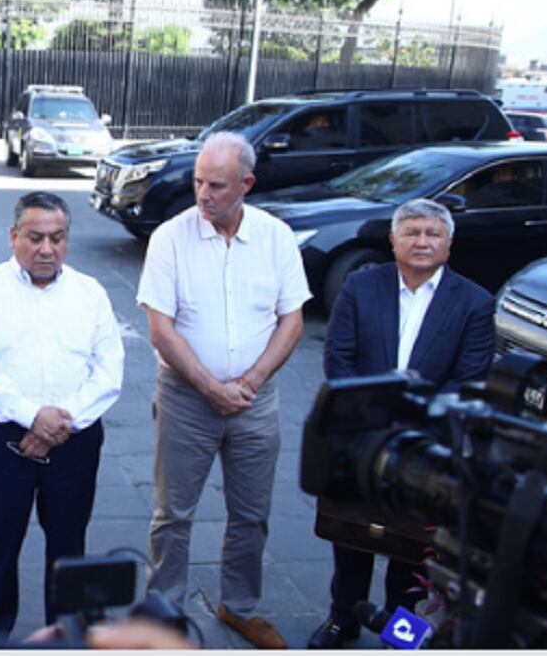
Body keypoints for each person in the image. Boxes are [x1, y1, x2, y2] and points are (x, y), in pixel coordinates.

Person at [137, 132, 311, 649]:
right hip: (186, 399)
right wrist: (211, 387)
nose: (203, 194)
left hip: (256, 403)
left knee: (252, 514)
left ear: (246, 184)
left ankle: (240, 607)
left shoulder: (276, 236)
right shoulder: (170, 237)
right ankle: (165, 613)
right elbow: (160, 328)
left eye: (216, 184)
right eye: (198, 181)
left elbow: (293, 318)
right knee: (173, 515)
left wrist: (249, 382)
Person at [307, 198, 495, 649]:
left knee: (411, 550)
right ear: (393, 241)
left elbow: (469, 381)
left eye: (433, 234)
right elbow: (339, 360)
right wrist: (369, 417)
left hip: (425, 445)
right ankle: (343, 618)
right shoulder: (360, 286)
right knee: (349, 534)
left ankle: (399, 629)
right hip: (359, 437)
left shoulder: (474, 302)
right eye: (412, 233)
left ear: (449, 243)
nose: (422, 242)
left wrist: (407, 422)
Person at [0, 191, 124, 636]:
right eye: (35, 237)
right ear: (13, 237)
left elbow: (108, 372)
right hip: (3, 441)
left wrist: (56, 425)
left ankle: (67, 635)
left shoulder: (91, 293)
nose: (46, 248)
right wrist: (32, 416)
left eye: (57, 237)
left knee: (70, 547)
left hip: (75, 441)